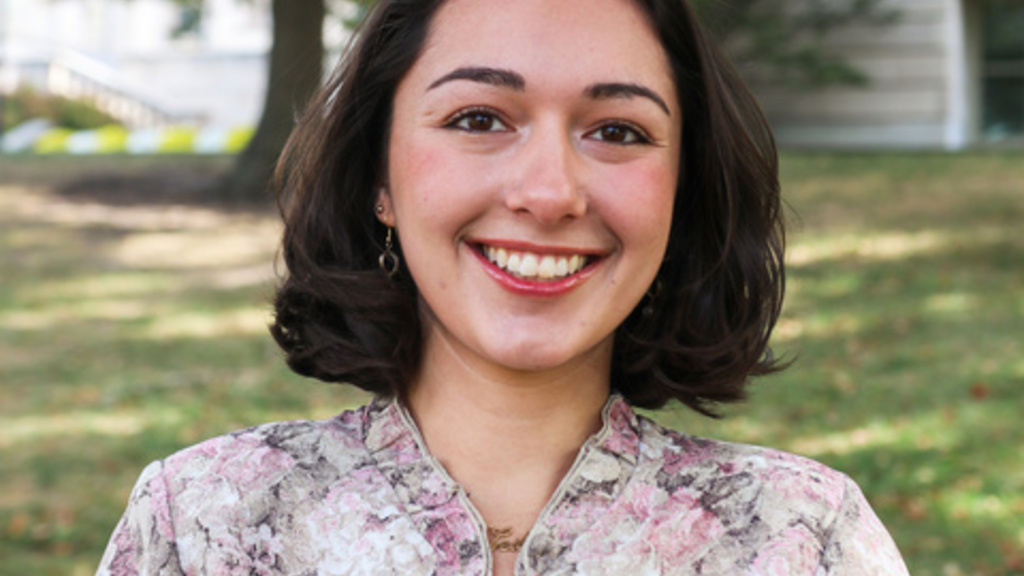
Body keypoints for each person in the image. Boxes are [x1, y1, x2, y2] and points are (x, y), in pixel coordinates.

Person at [96, 0, 911, 574]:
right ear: (379, 175)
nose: (549, 192)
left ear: (680, 193)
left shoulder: (804, 539)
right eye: (479, 119)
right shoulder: (204, 522)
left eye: (618, 131)